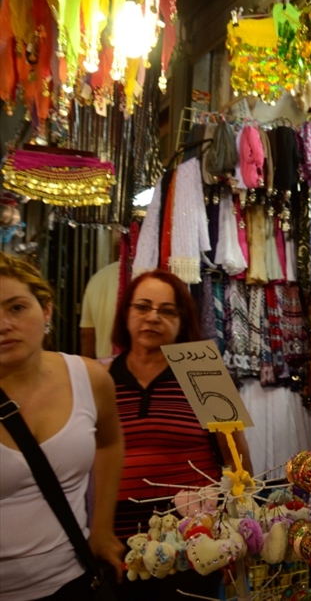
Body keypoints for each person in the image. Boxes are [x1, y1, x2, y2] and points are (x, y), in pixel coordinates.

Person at [108, 270, 253, 600]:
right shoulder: (101, 376)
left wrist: (242, 528)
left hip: (193, 538)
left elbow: (237, 456)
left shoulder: (205, 372)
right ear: (126, 313)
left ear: (182, 319)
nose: (153, 317)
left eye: (167, 310)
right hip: (120, 538)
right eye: (142, 307)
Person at [0, 253, 125, 600]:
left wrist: (101, 528)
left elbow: (109, 443)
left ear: (47, 311)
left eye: (17, 307)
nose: (3, 324)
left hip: (73, 580)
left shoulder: (89, 377)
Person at [80, 261, 120, 360]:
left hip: (103, 367)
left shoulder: (99, 277)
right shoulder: (146, 276)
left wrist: (87, 370)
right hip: (139, 368)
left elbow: (87, 334)